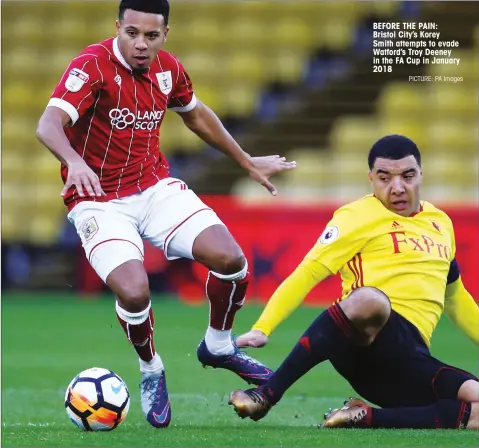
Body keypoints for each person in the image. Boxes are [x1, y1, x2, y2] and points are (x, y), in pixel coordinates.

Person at [36, 0, 296, 429]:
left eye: (151, 36)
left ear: (165, 35)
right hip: (98, 199)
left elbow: (196, 115)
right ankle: (151, 369)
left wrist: (246, 161)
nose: (141, 44)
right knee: (135, 292)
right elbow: (48, 123)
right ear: (117, 27)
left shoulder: (168, 70)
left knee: (232, 261)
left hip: (154, 188)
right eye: (132, 33)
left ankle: (218, 345)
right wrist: (74, 161)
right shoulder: (91, 65)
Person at [228, 135, 479, 430]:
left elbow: (455, 296)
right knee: (370, 300)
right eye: (385, 178)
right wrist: (263, 327)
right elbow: (308, 272)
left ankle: (363, 417)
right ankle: (267, 394)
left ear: (421, 174)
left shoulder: (441, 223)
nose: (397, 187)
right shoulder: (354, 217)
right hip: (362, 342)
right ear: (371, 178)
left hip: (409, 360)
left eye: (407, 176)